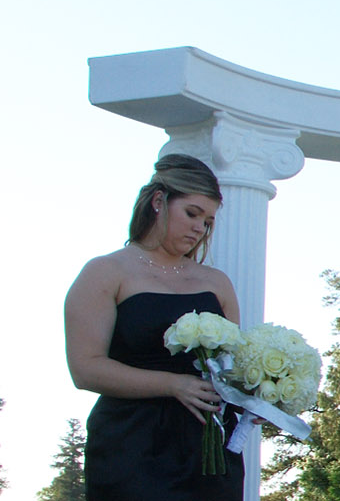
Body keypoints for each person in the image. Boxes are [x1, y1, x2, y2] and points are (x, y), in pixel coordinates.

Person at [64, 154, 244, 500]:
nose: (199, 228)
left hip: (207, 448)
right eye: (192, 213)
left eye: (207, 222)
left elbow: (232, 367)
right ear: (159, 201)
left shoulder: (217, 282)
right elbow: (84, 369)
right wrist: (173, 384)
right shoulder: (106, 272)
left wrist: (259, 400)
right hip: (132, 443)